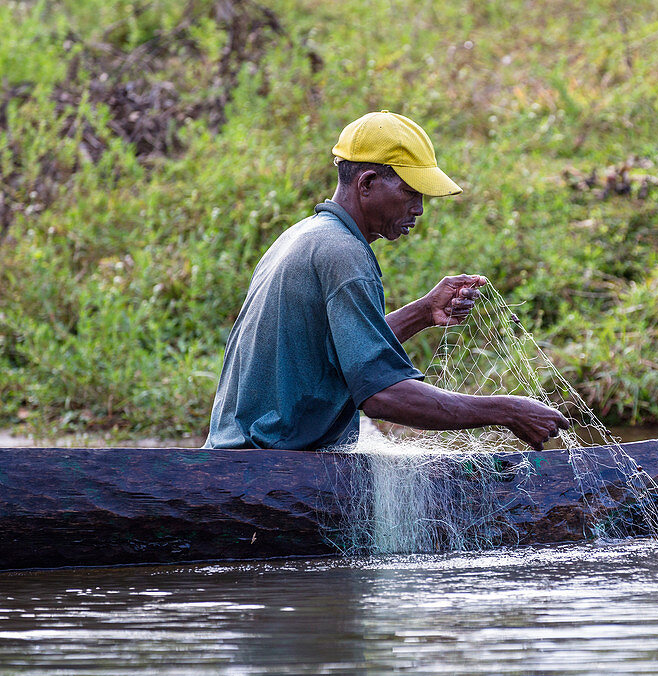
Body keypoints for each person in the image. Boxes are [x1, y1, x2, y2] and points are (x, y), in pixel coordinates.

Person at [204, 110, 568, 451]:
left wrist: (425, 312)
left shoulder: (306, 235)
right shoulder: (343, 254)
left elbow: (338, 360)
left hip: (237, 455)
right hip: (267, 466)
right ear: (367, 183)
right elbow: (382, 396)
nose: (419, 208)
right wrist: (507, 411)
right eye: (410, 193)